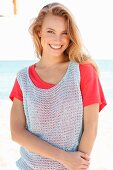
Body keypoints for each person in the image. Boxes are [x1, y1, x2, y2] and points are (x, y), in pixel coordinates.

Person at [9, 2, 107, 170]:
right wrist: (63, 157)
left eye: (64, 33)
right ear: (39, 32)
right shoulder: (23, 78)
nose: (57, 39)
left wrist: (75, 165)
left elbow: (91, 126)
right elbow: (17, 132)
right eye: (50, 31)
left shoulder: (83, 71)